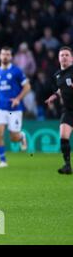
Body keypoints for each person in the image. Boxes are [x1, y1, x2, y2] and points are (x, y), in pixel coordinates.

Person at [0, 47, 31, 168]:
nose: (5, 56)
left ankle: (21, 137)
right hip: (0, 107)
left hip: (15, 109)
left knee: (14, 137)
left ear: (11, 57)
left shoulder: (17, 71)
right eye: (3, 54)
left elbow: (27, 87)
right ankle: (3, 160)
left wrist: (18, 99)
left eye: (7, 54)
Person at [45, 46, 73, 174]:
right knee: (63, 135)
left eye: (67, 55)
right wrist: (55, 96)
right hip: (68, 110)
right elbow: (61, 89)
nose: (64, 57)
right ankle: (67, 165)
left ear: (72, 58)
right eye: (62, 55)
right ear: (58, 58)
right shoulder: (57, 75)